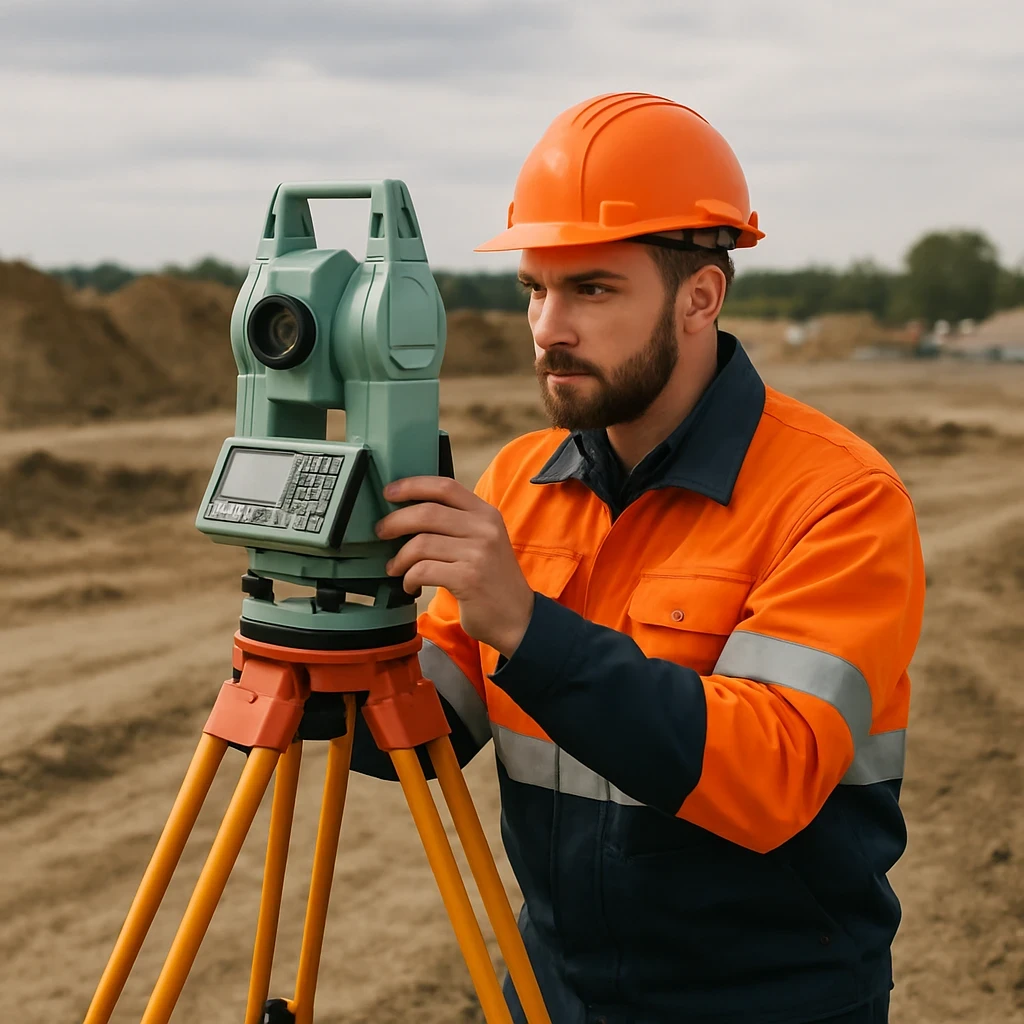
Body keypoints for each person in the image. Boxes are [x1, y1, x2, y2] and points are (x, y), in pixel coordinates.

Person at [361, 93, 925, 1024]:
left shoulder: (839, 499)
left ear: (701, 296)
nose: (547, 326)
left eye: (592, 288)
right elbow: (430, 735)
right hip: (556, 999)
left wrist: (532, 631)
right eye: (535, 289)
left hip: (770, 1005)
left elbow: (771, 776)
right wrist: (336, 645)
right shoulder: (516, 480)